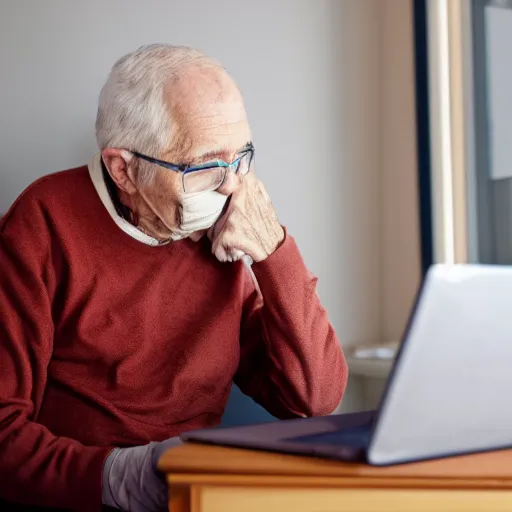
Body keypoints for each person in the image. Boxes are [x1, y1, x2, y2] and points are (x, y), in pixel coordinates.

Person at [0, 44, 348, 511]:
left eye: (241, 157)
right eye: (204, 166)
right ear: (122, 168)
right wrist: (118, 477)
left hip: (195, 494)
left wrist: (272, 252)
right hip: (82, 495)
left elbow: (313, 398)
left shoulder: (219, 230)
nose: (230, 187)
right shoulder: (43, 223)